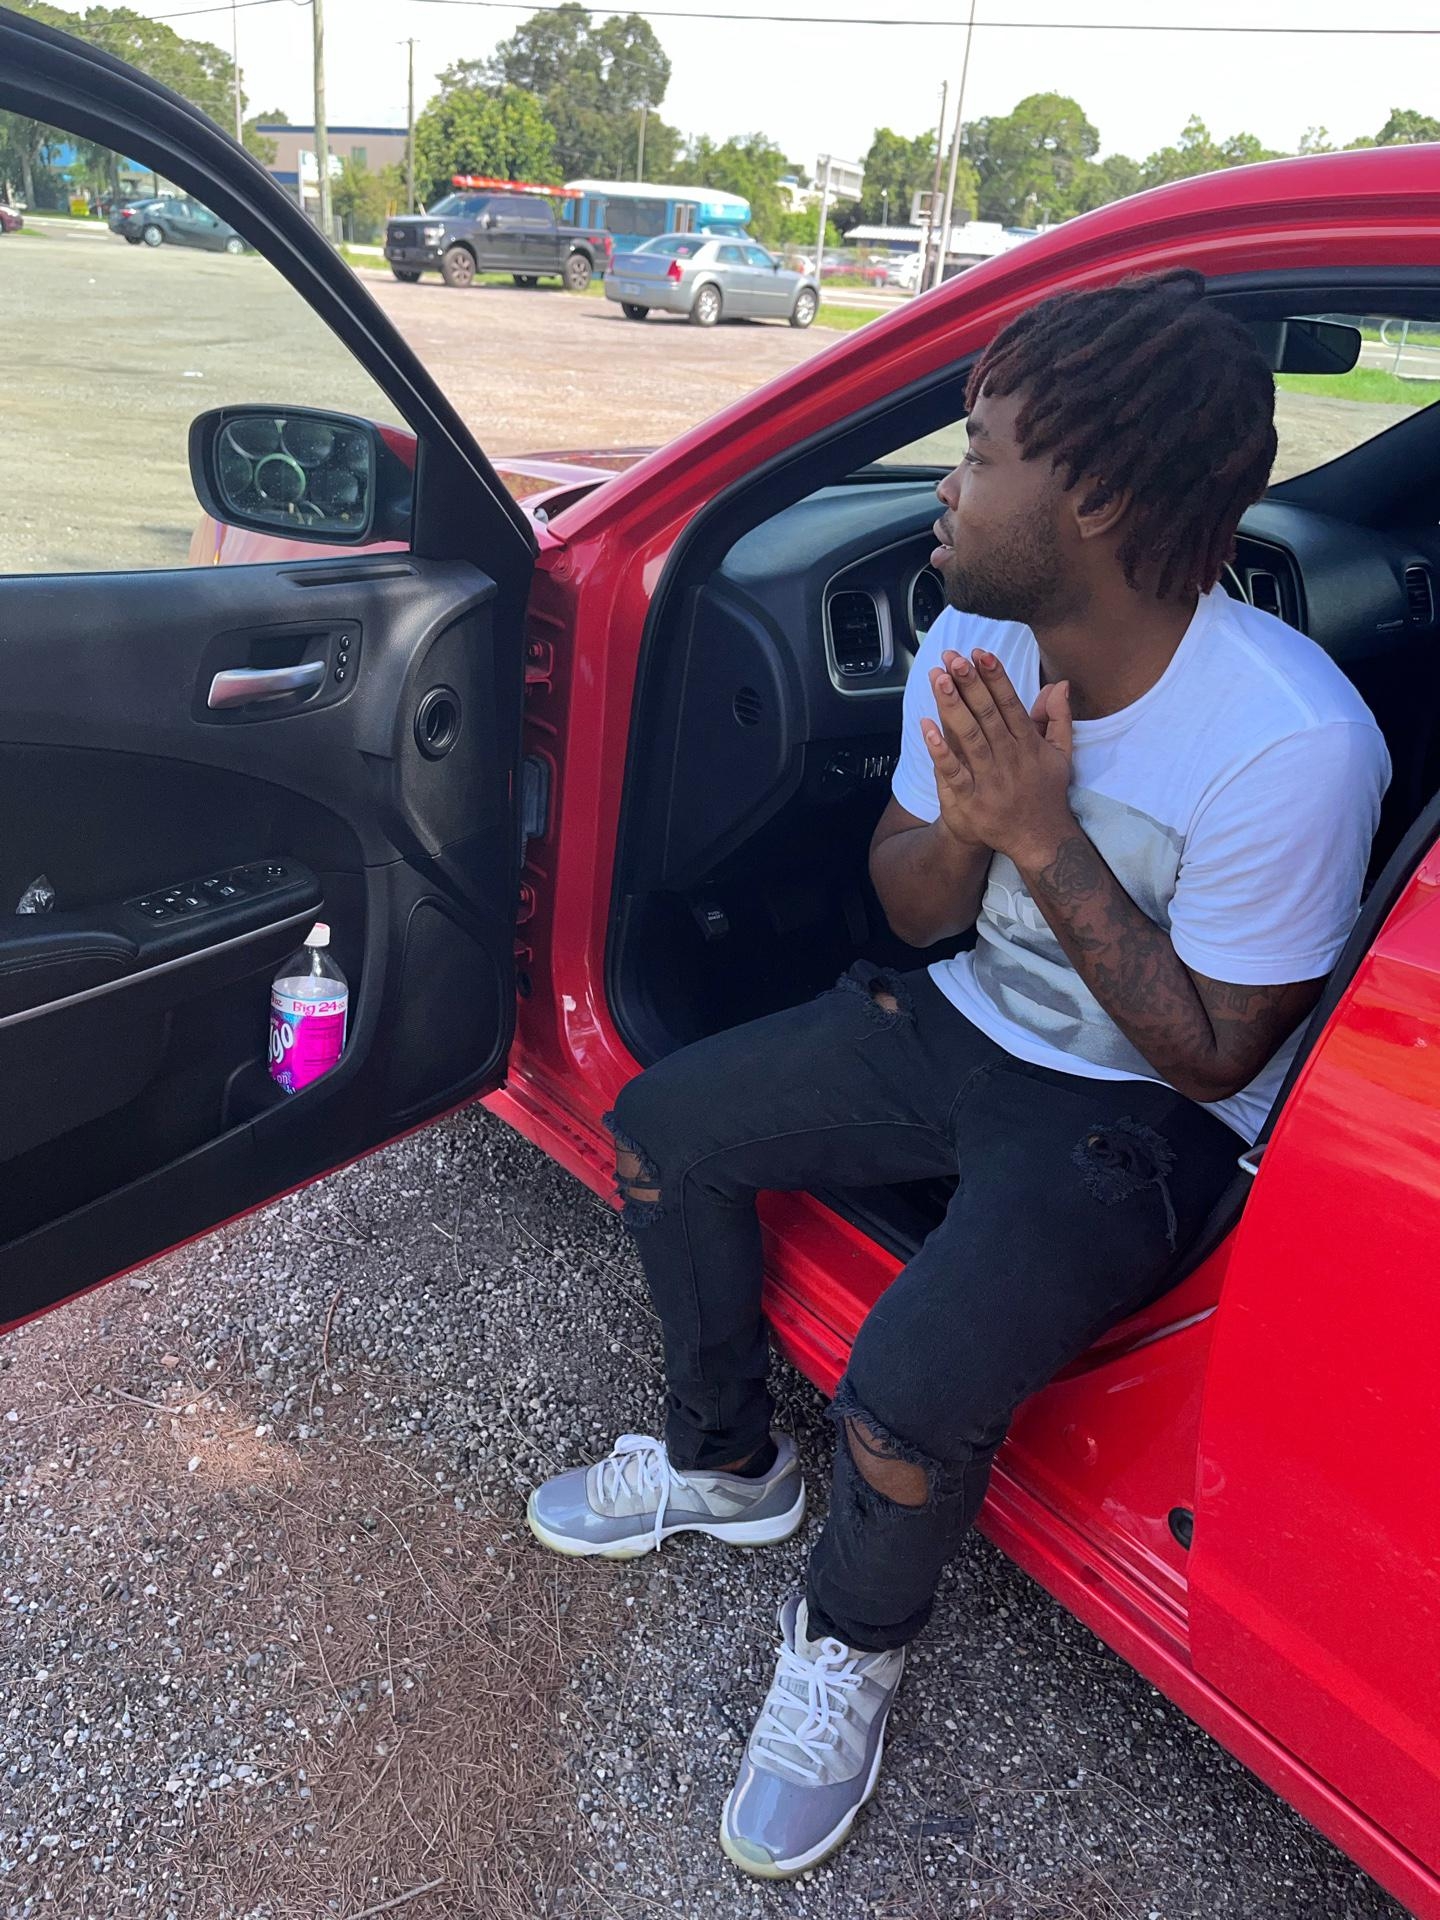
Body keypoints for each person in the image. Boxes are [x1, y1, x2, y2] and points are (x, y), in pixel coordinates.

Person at [525, 268, 1391, 1879]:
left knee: (909, 1389)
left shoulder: (1294, 744)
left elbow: (1213, 1053)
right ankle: (725, 1463)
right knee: (660, 1128)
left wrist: (1045, 837)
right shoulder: (984, 632)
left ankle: (848, 1645)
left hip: (1144, 1121)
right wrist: (976, 830)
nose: (947, 483)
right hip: (966, 1017)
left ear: (1099, 496)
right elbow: (912, 910)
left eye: (982, 455)